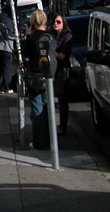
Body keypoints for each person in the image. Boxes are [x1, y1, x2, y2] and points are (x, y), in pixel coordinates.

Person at [23, 9, 51, 150]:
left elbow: (25, 54)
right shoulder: (49, 36)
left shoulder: (31, 38)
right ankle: (49, 137)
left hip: (34, 75)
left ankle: (40, 141)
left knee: (37, 108)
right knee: (46, 108)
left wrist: (28, 36)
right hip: (47, 76)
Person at [51, 13, 73, 135]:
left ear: (63, 23)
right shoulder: (53, 36)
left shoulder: (67, 36)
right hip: (54, 70)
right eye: (54, 21)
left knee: (63, 99)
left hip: (62, 70)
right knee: (58, 98)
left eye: (58, 22)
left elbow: (62, 56)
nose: (55, 23)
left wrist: (52, 52)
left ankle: (62, 126)